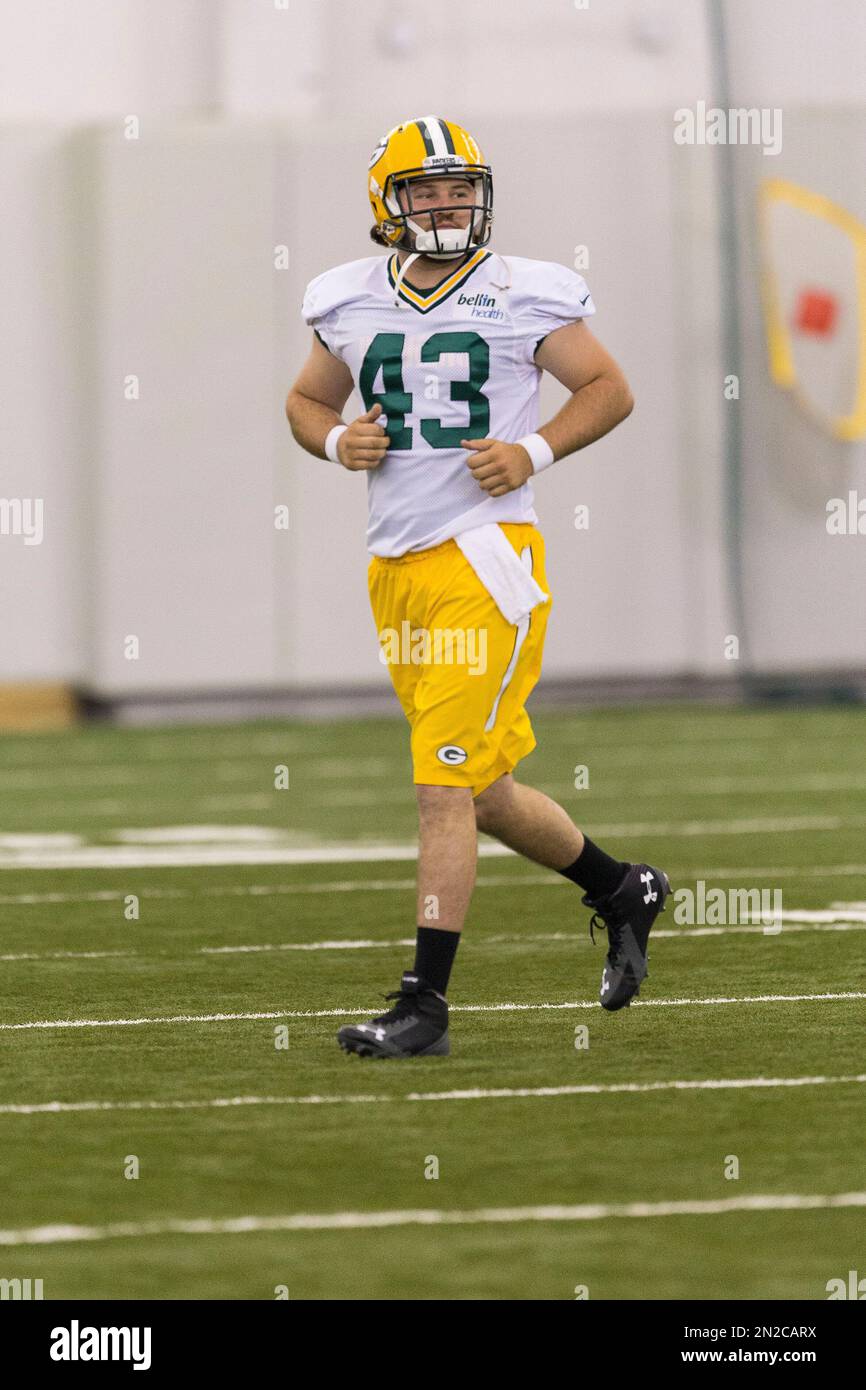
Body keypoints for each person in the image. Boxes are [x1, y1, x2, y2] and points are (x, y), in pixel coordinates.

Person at [285, 116, 670, 1058]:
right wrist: (339, 442)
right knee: (484, 788)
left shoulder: (523, 292)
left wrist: (532, 448)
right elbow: (305, 403)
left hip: (485, 560)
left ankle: (425, 1005)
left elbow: (608, 388)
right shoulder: (348, 297)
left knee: (439, 788)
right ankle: (623, 888)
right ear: (390, 202)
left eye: (460, 187)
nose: (448, 203)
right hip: (396, 567)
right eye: (426, 188)